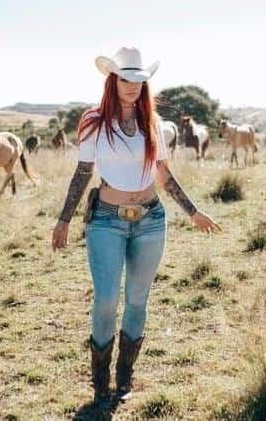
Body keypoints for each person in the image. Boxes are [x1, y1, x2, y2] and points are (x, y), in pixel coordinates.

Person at [51, 47, 221, 408]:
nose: (131, 86)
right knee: (107, 299)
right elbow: (83, 173)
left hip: (150, 220)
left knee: (138, 300)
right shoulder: (93, 121)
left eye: (138, 81)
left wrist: (193, 212)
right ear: (113, 81)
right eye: (125, 79)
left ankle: (124, 375)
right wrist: (64, 219)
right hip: (106, 221)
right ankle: (100, 380)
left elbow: (163, 173)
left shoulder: (153, 123)